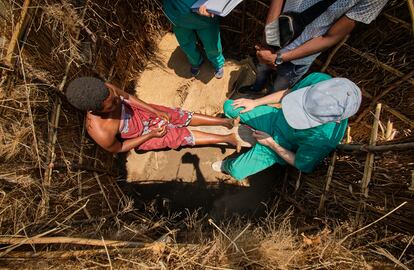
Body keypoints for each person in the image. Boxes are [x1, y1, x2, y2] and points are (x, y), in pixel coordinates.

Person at [212, 72, 361, 180]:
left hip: (280, 143)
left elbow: (301, 163)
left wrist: (270, 144)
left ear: (335, 119)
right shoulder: (320, 80)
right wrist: (255, 102)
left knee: (237, 171)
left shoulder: (323, 138)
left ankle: (227, 165)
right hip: (275, 118)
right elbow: (289, 93)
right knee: (230, 107)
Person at [239, 0, 388, 95]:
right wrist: (269, 40)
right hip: (273, 40)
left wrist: (279, 58)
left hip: (297, 58)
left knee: (278, 88)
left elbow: (332, 37)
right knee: (261, 70)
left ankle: (263, 103)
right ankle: (256, 88)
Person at [65, 77, 240, 153]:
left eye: (115, 97)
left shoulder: (107, 89)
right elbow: (119, 148)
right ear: (96, 111)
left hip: (143, 112)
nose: (118, 101)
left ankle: (224, 121)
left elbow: (128, 97)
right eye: (113, 105)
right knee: (179, 136)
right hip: (141, 135)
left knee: (178, 115)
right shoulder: (100, 131)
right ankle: (227, 138)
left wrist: (155, 111)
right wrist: (150, 135)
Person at [163, 0, 225, 78]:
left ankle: (217, 63)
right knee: (186, 42)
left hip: (203, 15)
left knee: (211, 42)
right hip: (177, 15)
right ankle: (195, 61)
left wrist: (211, 4)